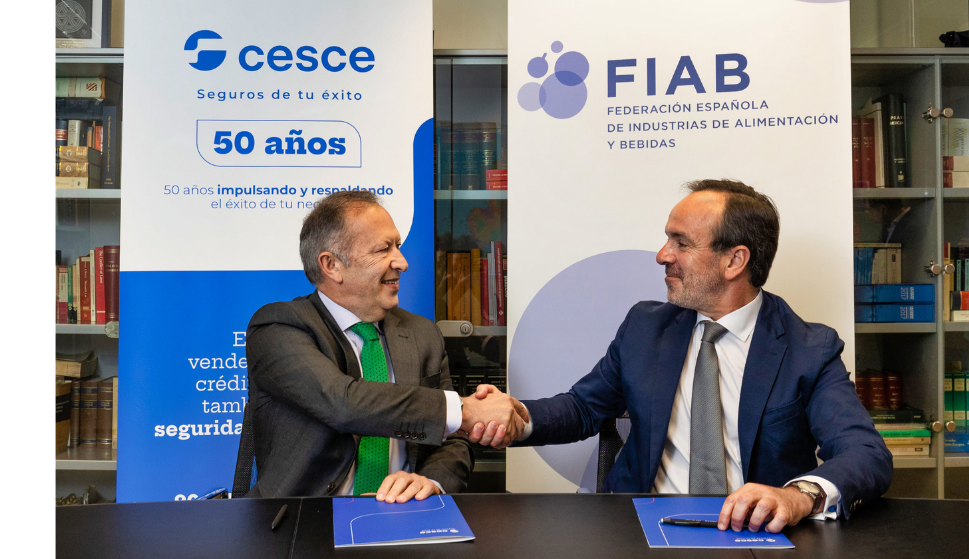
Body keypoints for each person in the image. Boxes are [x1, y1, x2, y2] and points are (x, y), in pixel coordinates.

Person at [470, 179, 892, 533]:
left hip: (751, 536)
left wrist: (797, 496)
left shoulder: (809, 349)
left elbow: (865, 453)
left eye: (681, 242)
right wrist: (517, 416)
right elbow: (583, 407)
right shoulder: (646, 327)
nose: (662, 255)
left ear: (735, 260)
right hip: (639, 529)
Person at [244, 190, 528, 501]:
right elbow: (343, 403)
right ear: (332, 265)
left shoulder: (422, 334)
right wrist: (464, 409)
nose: (402, 263)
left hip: (405, 512)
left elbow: (451, 439)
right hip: (305, 517)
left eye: (398, 246)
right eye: (383, 249)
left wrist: (430, 481)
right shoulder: (277, 327)